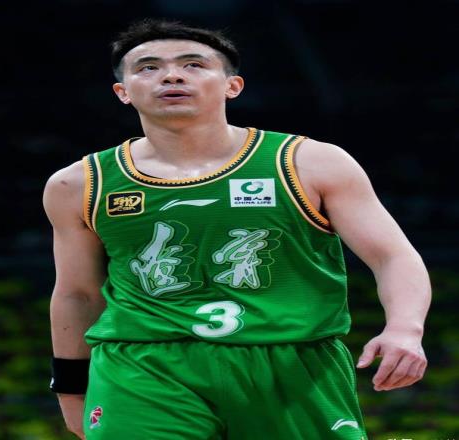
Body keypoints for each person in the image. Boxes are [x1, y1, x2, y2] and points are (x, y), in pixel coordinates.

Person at [43, 19, 431, 440]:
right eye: (148, 67)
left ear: (233, 86)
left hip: (292, 362)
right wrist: (70, 388)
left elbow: (392, 256)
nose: (171, 76)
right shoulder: (78, 184)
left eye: (193, 64)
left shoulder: (311, 162)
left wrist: (405, 328)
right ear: (123, 91)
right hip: (142, 366)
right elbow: (77, 294)